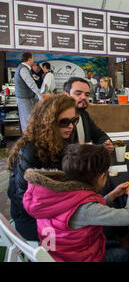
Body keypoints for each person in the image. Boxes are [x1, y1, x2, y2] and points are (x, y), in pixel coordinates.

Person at [23, 143, 129, 262]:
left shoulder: (56, 193)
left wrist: (112, 195)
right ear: (100, 177)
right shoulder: (85, 208)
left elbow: (85, 211)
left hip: (58, 253)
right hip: (77, 258)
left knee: (113, 244)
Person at [7, 94, 77, 241]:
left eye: (74, 120)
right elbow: (25, 200)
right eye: (64, 121)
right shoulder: (31, 151)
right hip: (32, 221)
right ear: (49, 122)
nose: (71, 126)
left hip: (51, 212)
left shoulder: (59, 141)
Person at [63, 77, 114, 151]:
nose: (83, 97)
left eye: (87, 94)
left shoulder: (84, 115)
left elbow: (100, 136)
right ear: (66, 95)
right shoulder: (58, 119)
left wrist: (106, 144)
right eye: (78, 93)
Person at [14, 52, 43, 131]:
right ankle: (28, 140)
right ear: (29, 59)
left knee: (28, 119)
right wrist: (40, 96)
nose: (33, 60)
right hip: (25, 99)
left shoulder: (24, 68)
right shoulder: (23, 69)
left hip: (26, 98)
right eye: (33, 58)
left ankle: (29, 138)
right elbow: (31, 83)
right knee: (28, 120)